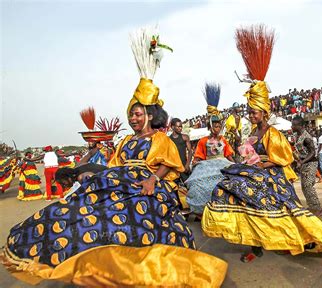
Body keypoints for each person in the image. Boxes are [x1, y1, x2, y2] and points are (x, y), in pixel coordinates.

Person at [1, 26, 227, 287]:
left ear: (150, 115)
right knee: (77, 211)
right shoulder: (127, 141)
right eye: (131, 114)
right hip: (117, 181)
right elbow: (114, 165)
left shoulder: (160, 138)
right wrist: (90, 173)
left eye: (139, 113)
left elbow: (168, 163)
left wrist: (153, 179)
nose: (134, 118)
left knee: (134, 222)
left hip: (146, 185)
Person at [202, 25, 322, 263]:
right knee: (243, 204)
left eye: (254, 112)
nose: (251, 115)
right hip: (256, 175)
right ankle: (257, 245)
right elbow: (247, 155)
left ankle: (294, 240)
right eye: (249, 111)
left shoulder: (273, 133)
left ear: (263, 112)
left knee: (282, 215)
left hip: (272, 179)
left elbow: (284, 158)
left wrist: (264, 164)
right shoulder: (253, 132)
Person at [185, 83, 234, 216]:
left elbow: (229, 155)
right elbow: (199, 157)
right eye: (215, 126)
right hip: (207, 165)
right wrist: (195, 163)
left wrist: (236, 165)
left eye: (219, 126)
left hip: (223, 163)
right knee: (198, 185)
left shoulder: (223, 140)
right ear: (210, 127)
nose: (217, 129)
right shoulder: (203, 141)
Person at [291, 116, 322, 215]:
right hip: (304, 162)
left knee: (308, 185)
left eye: (294, 124)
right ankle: (312, 206)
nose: (292, 126)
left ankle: (317, 208)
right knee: (304, 186)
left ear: (300, 126)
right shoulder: (298, 135)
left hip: (310, 163)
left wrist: (302, 162)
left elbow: (313, 153)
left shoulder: (307, 138)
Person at [169, 118, 193, 183]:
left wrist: (187, 165)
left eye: (181, 126)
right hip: (174, 168)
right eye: (178, 126)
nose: (180, 128)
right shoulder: (168, 140)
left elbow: (190, 151)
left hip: (184, 167)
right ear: (173, 127)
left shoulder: (185, 137)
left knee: (188, 186)